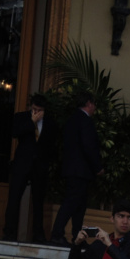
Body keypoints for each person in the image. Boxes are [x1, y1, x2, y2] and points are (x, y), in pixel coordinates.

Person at [49, 92, 103, 245]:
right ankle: (58, 233)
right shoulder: (85, 121)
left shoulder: (72, 120)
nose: (95, 108)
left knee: (78, 204)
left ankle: (76, 236)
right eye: (94, 104)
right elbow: (88, 146)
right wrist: (97, 167)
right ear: (89, 103)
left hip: (73, 169)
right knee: (73, 203)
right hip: (81, 171)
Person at [2, 94, 57, 243]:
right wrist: (31, 122)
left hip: (40, 166)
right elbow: (15, 133)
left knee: (38, 201)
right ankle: (9, 232)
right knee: (14, 198)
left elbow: (52, 144)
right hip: (22, 164)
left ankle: (38, 235)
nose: (36, 112)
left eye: (39, 110)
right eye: (34, 109)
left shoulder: (50, 122)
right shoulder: (21, 117)